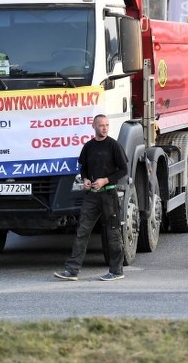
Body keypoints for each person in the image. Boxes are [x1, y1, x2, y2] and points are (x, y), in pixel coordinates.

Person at [54, 114, 128, 282]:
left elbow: (123, 169)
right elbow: (84, 168)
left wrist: (106, 180)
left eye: (107, 125)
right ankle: (72, 270)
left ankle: (116, 271)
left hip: (109, 195)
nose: (105, 128)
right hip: (92, 197)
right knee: (82, 231)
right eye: (101, 125)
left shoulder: (113, 146)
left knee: (113, 233)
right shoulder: (88, 146)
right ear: (93, 126)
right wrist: (86, 180)